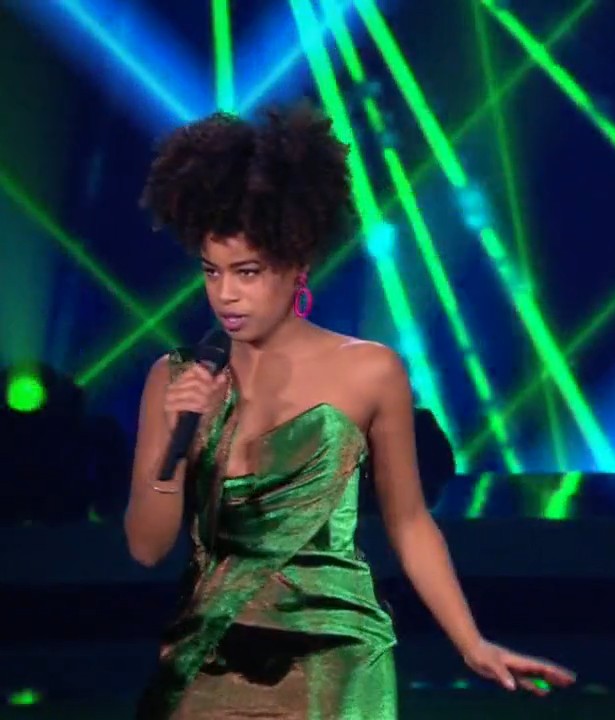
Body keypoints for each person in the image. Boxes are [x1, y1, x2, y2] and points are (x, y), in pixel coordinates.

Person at [124, 104, 574, 719]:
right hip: (206, 655)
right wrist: (177, 447)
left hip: (334, 659)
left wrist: (471, 644)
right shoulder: (177, 380)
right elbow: (147, 548)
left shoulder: (370, 371)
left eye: (248, 272)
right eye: (212, 272)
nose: (226, 294)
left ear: (297, 264)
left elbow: (409, 522)